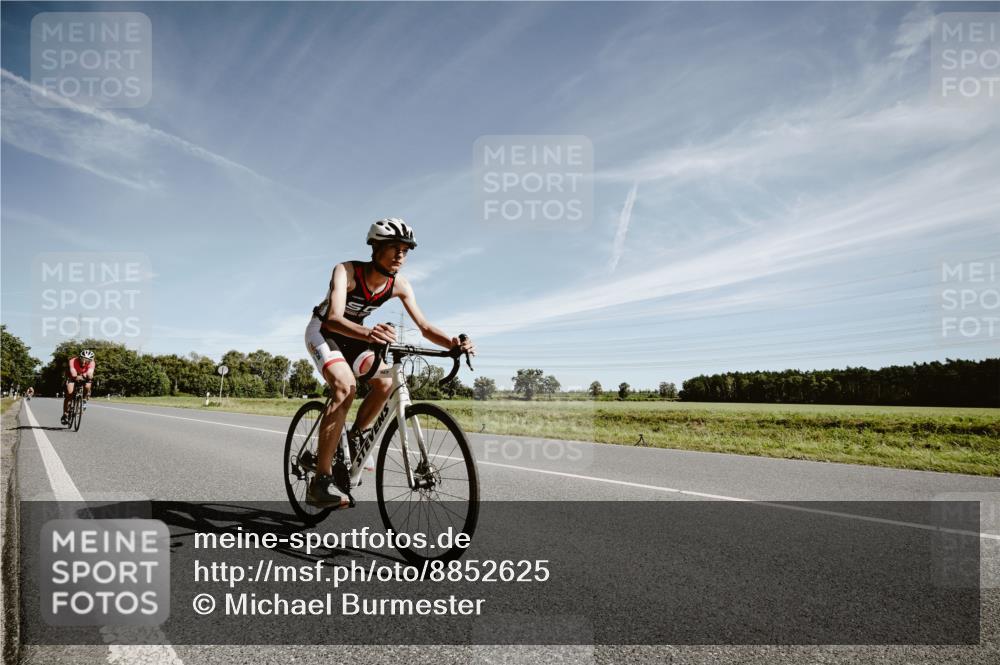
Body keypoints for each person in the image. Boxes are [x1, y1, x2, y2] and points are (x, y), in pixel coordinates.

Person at [304, 218, 475, 508]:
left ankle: (356, 435)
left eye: (406, 250)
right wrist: (369, 332)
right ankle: (320, 482)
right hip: (325, 332)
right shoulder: (347, 271)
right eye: (394, 247)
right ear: (376, 248)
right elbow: (334, 317)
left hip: (357, 337)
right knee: (345, 388)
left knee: (384, 383)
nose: (400, 255)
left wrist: (453, 344)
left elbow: (424, 326)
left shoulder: (400, 285)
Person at [62, 349, 95, 425]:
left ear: (90, 361)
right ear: (79, 358)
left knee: (87, 386)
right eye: (83, 359)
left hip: (84, 376)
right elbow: (73, 372)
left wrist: (86, 375)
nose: (84, 362)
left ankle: (83, 399)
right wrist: (76, 376)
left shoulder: (92, 363)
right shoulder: (73, 361)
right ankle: (65, 414)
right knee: (69, 394)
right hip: (72, 376)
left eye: (87, 361)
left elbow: (90, 373)